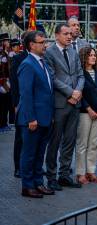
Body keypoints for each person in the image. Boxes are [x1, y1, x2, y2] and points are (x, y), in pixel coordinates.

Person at [45, 23, 85, 191]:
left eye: (70, 33)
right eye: (66, 33)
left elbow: (81, 75)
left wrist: (78, 91)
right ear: (56, 35)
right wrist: (70, 93)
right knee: (55, 142)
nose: (69, 36)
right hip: (60, 104)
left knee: (69, 141)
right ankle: (51, 176)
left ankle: (64, 175)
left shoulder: (73, 52)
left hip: (75, 104)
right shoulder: (49, 53)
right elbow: (52, 78)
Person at [17, 31, 55, 198]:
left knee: (40, 154)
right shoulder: (27, 64)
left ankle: (38, 183)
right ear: (31, 45)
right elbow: (26, 94)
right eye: (41, 42)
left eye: (44, 41)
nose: (45, 45)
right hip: (32, 120)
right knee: (29, 154)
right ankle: (27, 186)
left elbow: (47, 91)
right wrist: (31, 118)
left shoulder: (42, 63)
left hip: (45, 118)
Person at [75, 47, 97, 184]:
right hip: (85, 113)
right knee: (82, 144)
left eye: (95, 55)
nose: (94, 57)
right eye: (91, 55)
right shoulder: (80, 73)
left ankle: (91, 171)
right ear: (84, 57)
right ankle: (80, 173)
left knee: (93, 143)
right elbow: (79, 94)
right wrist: (88, 109)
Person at [10, 33, 29, 178]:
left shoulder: (43, 58)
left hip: (36, 104)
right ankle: (18, 167)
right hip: (21, 103)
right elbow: (14, 83)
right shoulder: (17, 58)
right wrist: (16, 104)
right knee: (20, 137)